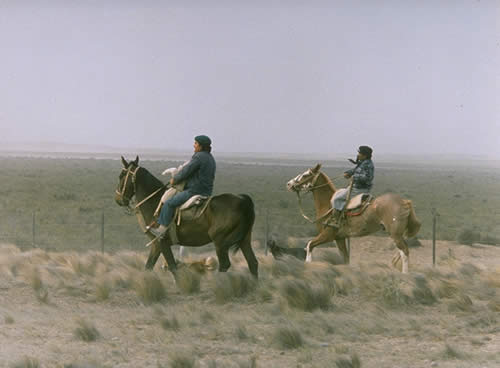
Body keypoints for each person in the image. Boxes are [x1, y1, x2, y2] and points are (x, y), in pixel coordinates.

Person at [150, 135, 216, 239]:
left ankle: (161, 231)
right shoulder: (210, 158)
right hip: (207, 191)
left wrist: (174, 179)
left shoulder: (199, 157)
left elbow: (186, 171)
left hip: (194, 190)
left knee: (169, 203)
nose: (194, 145)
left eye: (195, 143)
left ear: (201, 146)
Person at [329, 145, 374, 228]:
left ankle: (336, 221)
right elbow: (356, 170)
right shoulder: (363, 163)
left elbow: (368, 178)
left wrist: (354, 177)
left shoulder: (368, 165)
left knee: (336, 199)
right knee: (338, 193)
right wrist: (348, 173)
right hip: (355, 187)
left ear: (365, 155)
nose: (358, 155)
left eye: (359, 153)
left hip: (359, 189)